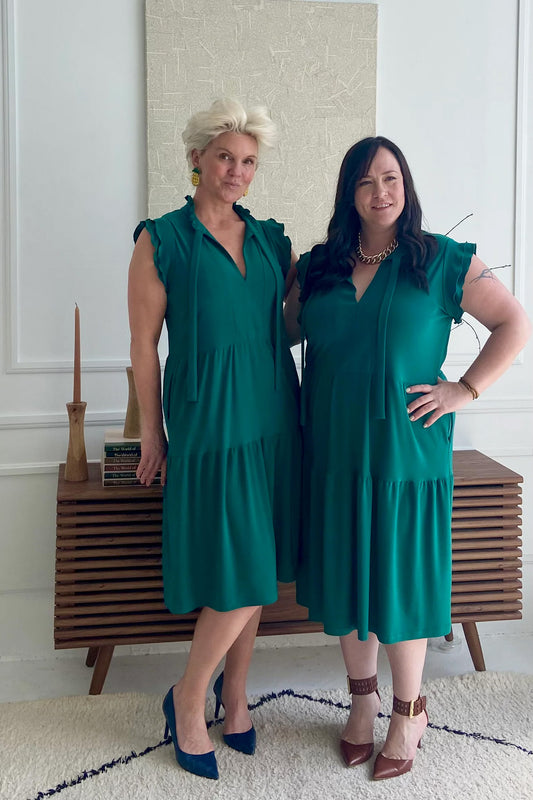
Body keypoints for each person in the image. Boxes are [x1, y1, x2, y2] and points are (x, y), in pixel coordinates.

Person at [284, 136, 531, 781]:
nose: (380, 192)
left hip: (407, 455)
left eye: (390, 178)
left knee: (397, 581)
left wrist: (463, 390)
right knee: (346, 576)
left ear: (407, 184)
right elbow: (277, 331)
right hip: (334, 452)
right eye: (366, 182)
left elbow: (515, 322)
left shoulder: (441, 261)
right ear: (349, 195)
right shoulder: (320, 268)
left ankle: (410, 709)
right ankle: (360, 706)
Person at [128, 98, 301, 780]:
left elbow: (285, 324)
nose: (237, 171)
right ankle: (189, 696)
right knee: (239, 565)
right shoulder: (160, 239)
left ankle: (236, 697)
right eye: (225, 157)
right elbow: (143, 346)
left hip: (272, 415)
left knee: (256, 567)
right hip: (207, 417)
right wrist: (152, 435)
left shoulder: (269, 239)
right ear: (197, 158)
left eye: (249, 161)